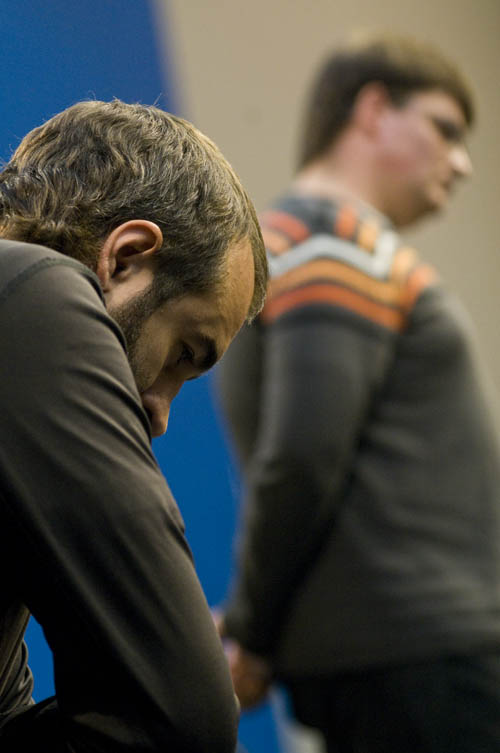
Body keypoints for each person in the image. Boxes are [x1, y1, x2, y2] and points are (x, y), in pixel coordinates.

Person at [214, 33, 500, 752]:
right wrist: (250, 631)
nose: (462, 162)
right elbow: (304, 455)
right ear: (372, 111)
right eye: (445, 129)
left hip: (412, 663)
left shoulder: (334, 244)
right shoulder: (330, 239)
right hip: (422, 670)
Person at [0, 99, 268, 752]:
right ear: (124, 259)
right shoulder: (32, 294)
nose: (161, 415)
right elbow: (180, 716)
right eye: (184, 353)